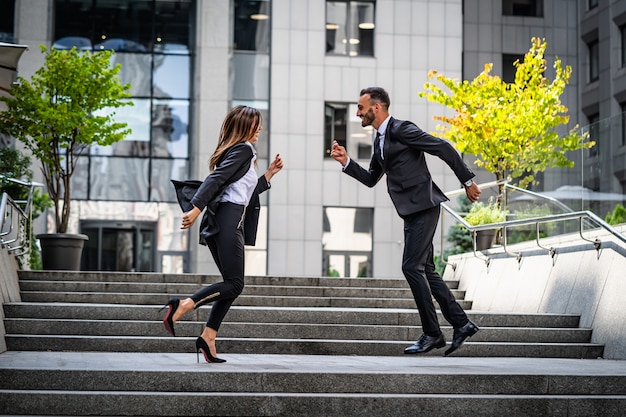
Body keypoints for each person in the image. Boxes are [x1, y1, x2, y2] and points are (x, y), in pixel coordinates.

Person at [330, 87, 482, 356]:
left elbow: (442, 147)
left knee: (411, 267)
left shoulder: (402, 129)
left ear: (376, 108)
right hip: (412, 211)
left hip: (424, 206)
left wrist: (467, 180)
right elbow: (370, 179)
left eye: (360, 108)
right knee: (427, 270)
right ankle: (461, 324)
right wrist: (346, 162)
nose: (357, 113)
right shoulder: (380, 140)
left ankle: (433, 333)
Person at [161, 105, 284, 363]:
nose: (260, 128)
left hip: (225, 221)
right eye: (256, 124)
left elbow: (244, 192)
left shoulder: (239, 152)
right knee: (235, 284)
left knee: (231, 285)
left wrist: (269, 174)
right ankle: (183, 305)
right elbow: (216, 179)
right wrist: (195, 208)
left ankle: (208, 337)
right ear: (245, 126)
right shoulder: (244, 150)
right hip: (228, 221)